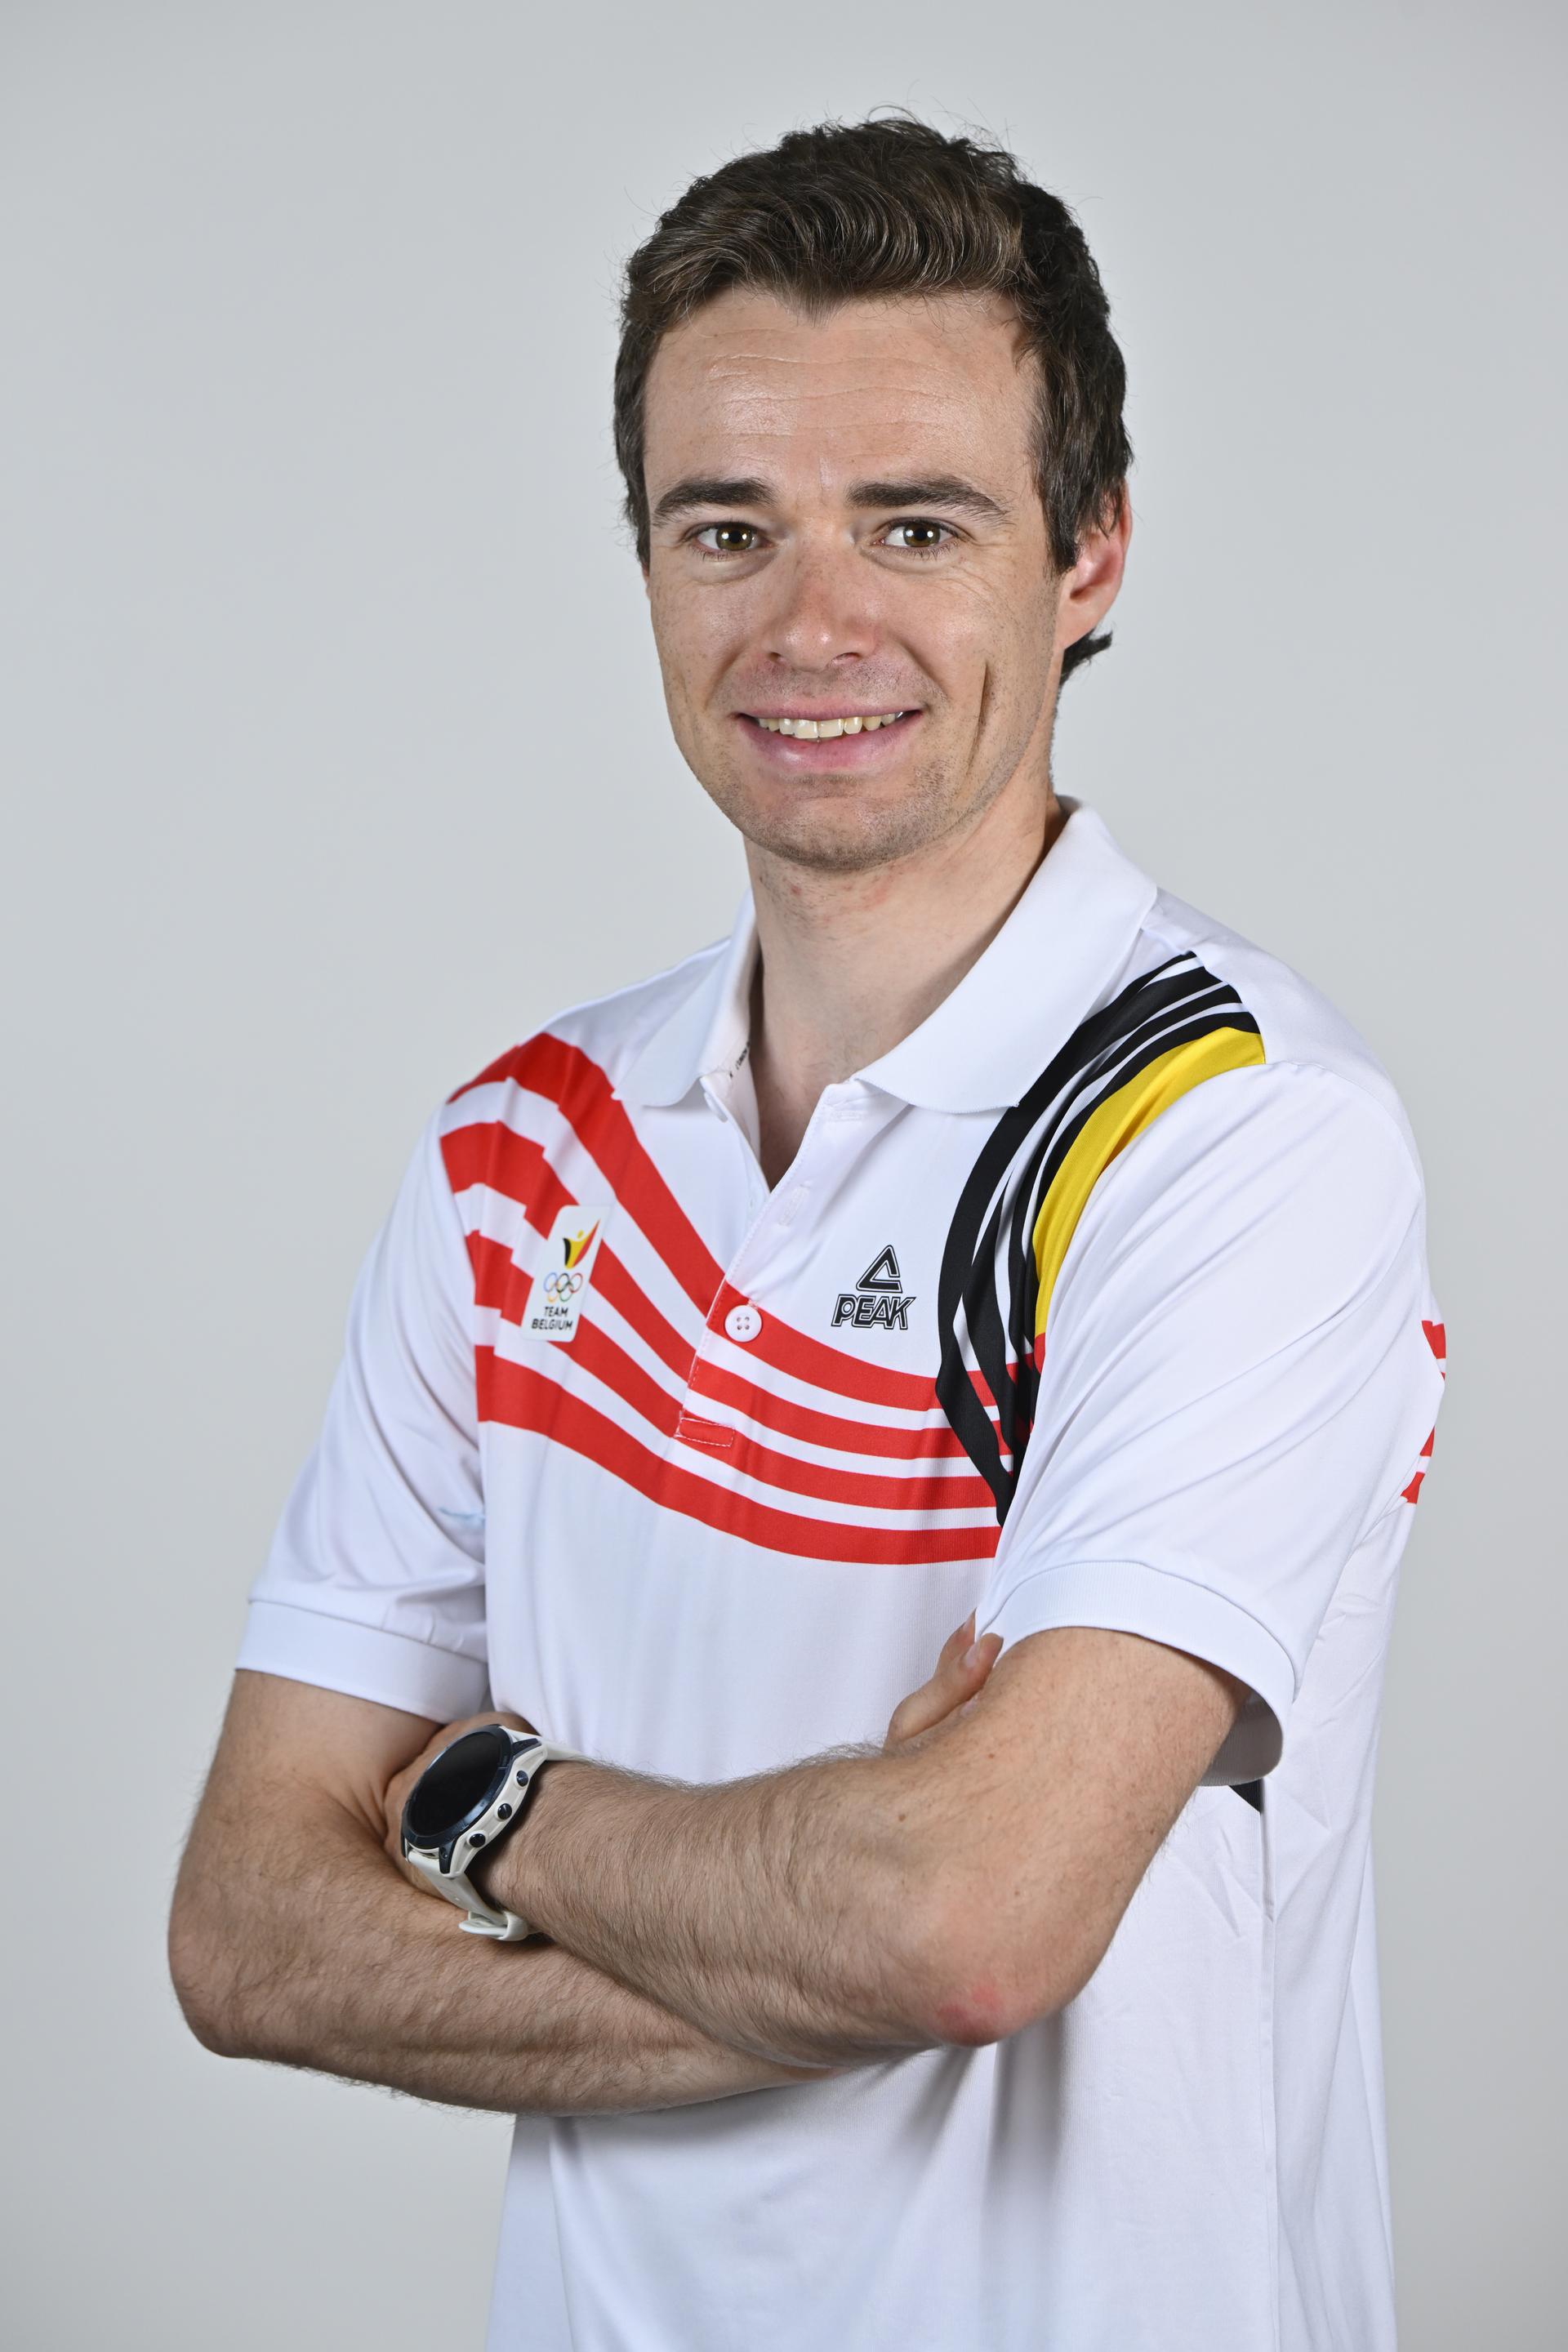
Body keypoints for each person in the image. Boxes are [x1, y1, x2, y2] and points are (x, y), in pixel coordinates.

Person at [168, 114, 1446, 2351]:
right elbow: (246, 1933)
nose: (812, 622)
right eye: (727, 527)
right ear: (646, 562)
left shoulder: (1236, 1140)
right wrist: (816, 1909)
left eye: (917, 523)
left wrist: (478, 1802)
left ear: (1092, 558)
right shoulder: (519, 1148)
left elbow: (965, 1925)